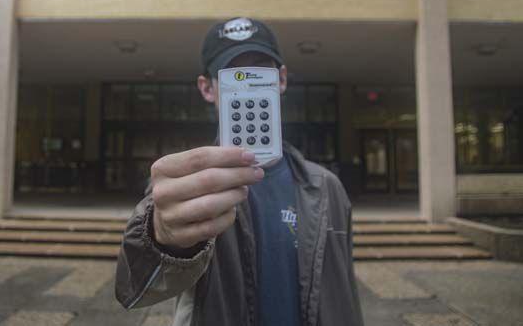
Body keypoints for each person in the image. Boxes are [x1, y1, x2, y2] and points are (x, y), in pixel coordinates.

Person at [115, 17, 364, 326]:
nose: (248, 84)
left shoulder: (328, 187)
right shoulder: (188, 184)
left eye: (260, 70)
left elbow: (344, 290)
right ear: (207, 88)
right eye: (234, 74)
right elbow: (139, 289)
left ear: (281, 80)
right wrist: (162, 237)